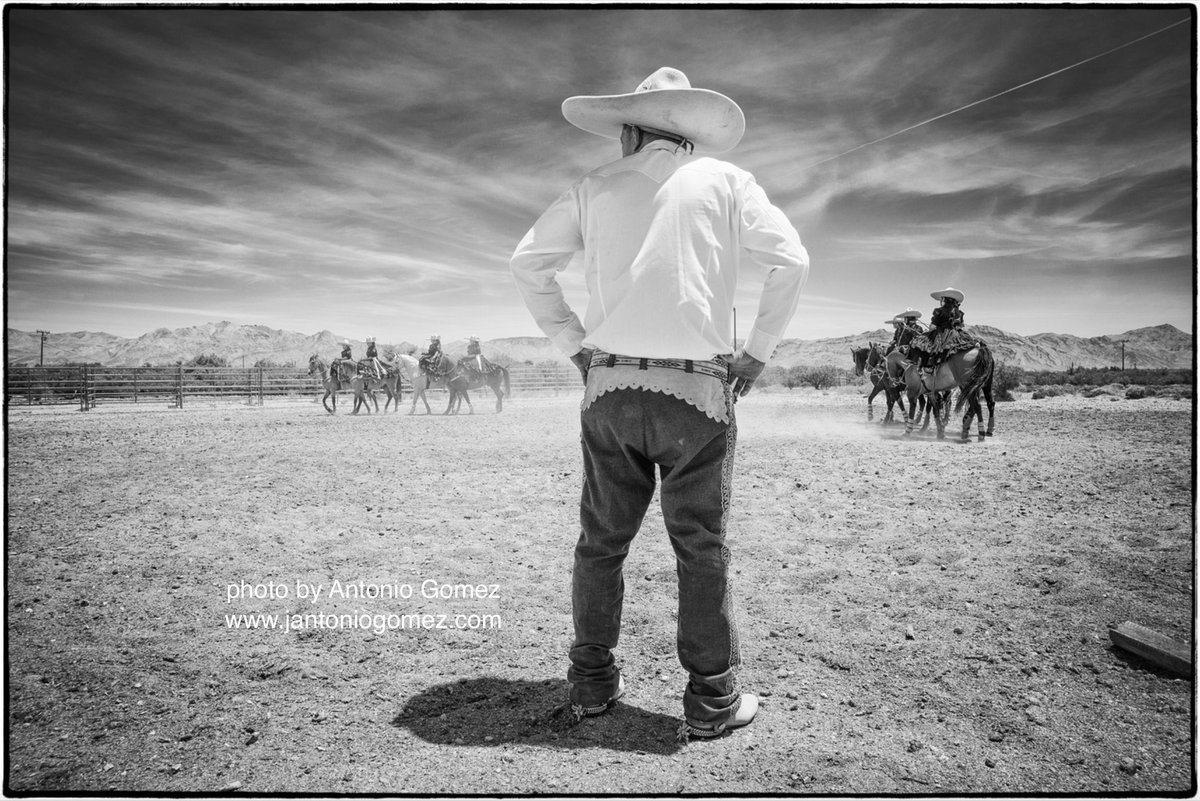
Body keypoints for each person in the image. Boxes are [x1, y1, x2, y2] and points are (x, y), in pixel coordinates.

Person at [510, 67, 809, 741]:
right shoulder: (728, 183)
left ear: (634, 129)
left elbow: (526, 262)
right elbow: (791, 260)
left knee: (600, 544)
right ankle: (711, 701)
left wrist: (575, 345)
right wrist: (757, 350)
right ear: (682, 132)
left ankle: (591, 684)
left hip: (610, 388)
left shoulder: (595, 186)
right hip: (696, 394)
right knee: (700, 547)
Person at [909, 288, 973, 375]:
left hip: (942, 333)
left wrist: (932, 328)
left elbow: (932, 326)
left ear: (944, 300)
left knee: (919, 342)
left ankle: (925, 366)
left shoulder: (939, 311)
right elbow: (959, 325)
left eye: (942, 299)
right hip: (956, 334)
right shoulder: (959, 313)